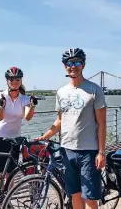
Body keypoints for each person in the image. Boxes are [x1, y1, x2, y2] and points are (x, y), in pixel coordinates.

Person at [36, 48, 107, 209]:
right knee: (74, 193)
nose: (73, 66)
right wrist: (46, 135)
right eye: (69, 63)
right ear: (64, 66)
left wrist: (101, 152)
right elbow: (60, 120)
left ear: (83, 65)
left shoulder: (94, 90)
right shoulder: (61, 92)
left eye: (76, 62)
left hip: (89, 151)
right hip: (67, 150)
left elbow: (102, 123)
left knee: (89, 197)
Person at [0, 66, 38, 193]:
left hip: (14, 140)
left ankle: (7, 201)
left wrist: (32, 106)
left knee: (10, 174)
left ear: (21, 80)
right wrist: (2, 106)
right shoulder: (0, 96)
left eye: (17, 79)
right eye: (11, 79)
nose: (14, 81)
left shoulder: (24, 98)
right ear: (7, 80)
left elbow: (28, 117)